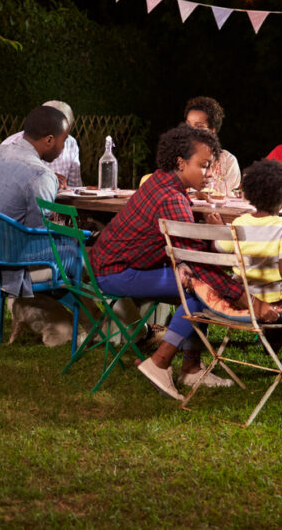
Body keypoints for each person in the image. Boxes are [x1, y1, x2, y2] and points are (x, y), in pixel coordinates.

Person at [89, 124, 239, 398]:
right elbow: (197, 264)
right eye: (204, 166)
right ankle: (160, 363)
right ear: (181, 163)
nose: (209, 174)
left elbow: (185, 250)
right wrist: (237, 293)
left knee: (195, 284)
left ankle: (191, 368)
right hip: (117, 274)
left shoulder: (160, 180)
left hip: (108, 265)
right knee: (200, 289)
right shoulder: (172, 199)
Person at [0, 105, 71, 298]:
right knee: (78, 257)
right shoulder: (41, 174)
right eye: (63, 141)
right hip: (4, 265)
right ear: (49, 140)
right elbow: (39, 239)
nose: (63, 148)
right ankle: (90, 324)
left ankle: (54, 321)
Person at [201, 159, 282, 322]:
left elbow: (218, 249)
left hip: (244, 298)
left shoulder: (239, 222)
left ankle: (276, 337)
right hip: (276, 299)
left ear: (250, 196)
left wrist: (219, 229)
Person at [1, 100, 82, 189]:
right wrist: (49, 181)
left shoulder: (71, 143)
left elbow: (75, 188)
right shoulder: (9, 146)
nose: (63, 146)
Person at [184, 96, 241, 193]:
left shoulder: (228, 161)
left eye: (199, 126)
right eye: (189, 125)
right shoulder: (180, 159)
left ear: (212, 130)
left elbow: (231, 200)